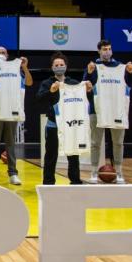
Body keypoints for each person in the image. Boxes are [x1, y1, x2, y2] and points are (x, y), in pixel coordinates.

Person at [83, 39, 132, 183]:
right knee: (95, 143)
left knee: (118, 143)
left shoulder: (121, 67)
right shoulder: (94, 67)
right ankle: (94, 172)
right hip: (97, 110)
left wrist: (130, 73)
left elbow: (130, 85)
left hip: (117, 110)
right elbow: (85, 86)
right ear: (99, 51)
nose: (107, 52)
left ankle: (119, 172)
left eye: (109, 49)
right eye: (104, 49)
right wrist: (88, 73)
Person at [36, 51, 91, 185]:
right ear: (52, 67)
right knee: (51, 155)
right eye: (56, 65)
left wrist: (88, 90)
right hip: (53, 125)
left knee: (73, 154)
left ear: (66, 66)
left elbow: (85, 100)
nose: (59, 67)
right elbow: (39, 99)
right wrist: (51, 91)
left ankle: (75, 180)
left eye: (61, 64)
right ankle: (48, 182)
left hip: (70, 125)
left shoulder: (74, 83)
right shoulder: (47, 83)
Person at [0, 46, 33, 186]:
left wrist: (24, 67)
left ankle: (13, 173)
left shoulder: (15, 69)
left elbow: (29, 83)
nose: (1, 54)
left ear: (7, 55)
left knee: (10, 143)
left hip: (11, 110)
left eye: (3, 52)